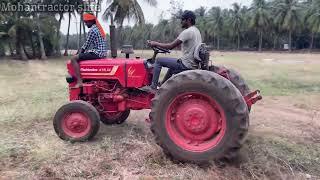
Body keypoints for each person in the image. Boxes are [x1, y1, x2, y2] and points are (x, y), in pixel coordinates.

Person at [141, 10, 202, 93]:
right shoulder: (196, 31)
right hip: (192, 63)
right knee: (172, 67)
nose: (181, 22)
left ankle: (153, 87)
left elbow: (170, 46)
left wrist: (155, 43)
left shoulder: (188, 32)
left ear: (189, 20)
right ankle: (162, 86)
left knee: (158, 60)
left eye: (183, 19)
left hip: (186, 64)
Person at [71, 13, 107, 88]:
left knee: (73, 59)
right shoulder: (98, 29)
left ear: (90, 21)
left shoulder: (92, 30)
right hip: (102, 53)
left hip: (97, 53)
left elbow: (86, 45)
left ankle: (79, 81)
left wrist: (78, 54)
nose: (86, 24)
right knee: (79, 56)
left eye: (86, 22)